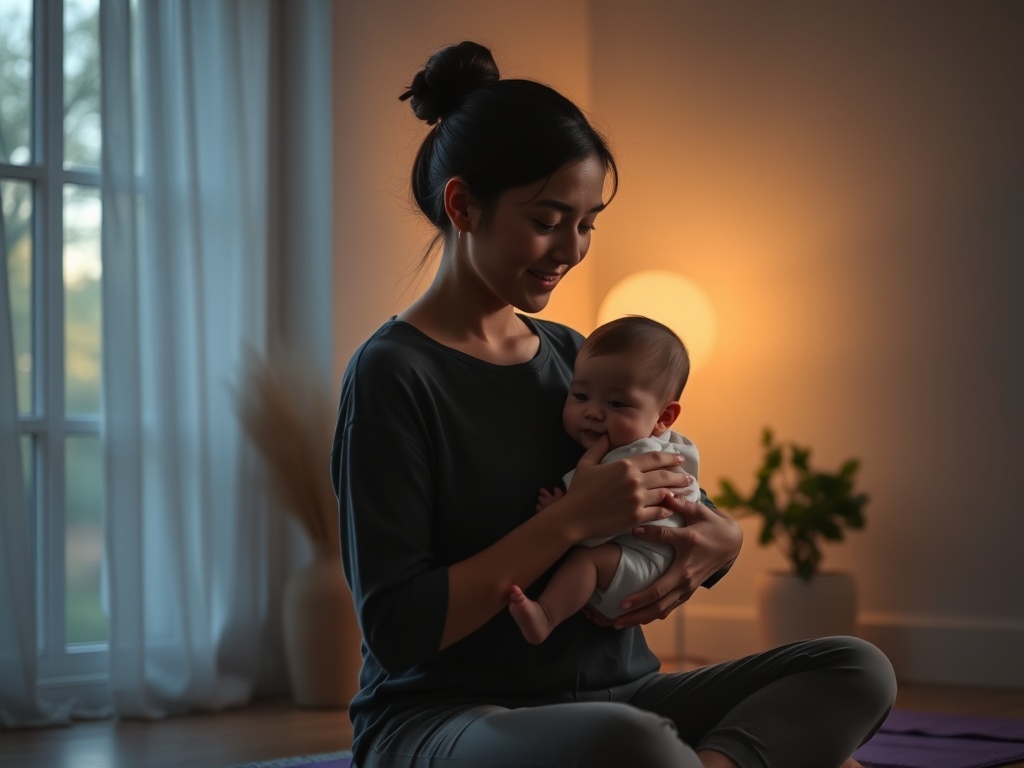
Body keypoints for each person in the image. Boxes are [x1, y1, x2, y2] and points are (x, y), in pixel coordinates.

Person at [331, 40, 895, 768]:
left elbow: (662, 494)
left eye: (588, 222)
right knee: (633, 747)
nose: (571, 248)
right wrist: (569, 520)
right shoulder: (392, 375)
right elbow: (398, 630)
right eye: (547, 219)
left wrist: (722, 541)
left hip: (621, 699)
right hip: (445, 718)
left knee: (856, 669)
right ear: (463, 204)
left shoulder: (577, 354)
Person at [509, 315, 702, 643]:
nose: (594, 412)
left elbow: (596, 515)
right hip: (646, 559)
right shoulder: (672, 446)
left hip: (644, 565)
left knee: (587, 562)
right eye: (581, 396)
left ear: (663, 417)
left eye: (616, 403)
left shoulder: (631, 457)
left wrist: (564, 508)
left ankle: (547, 615)